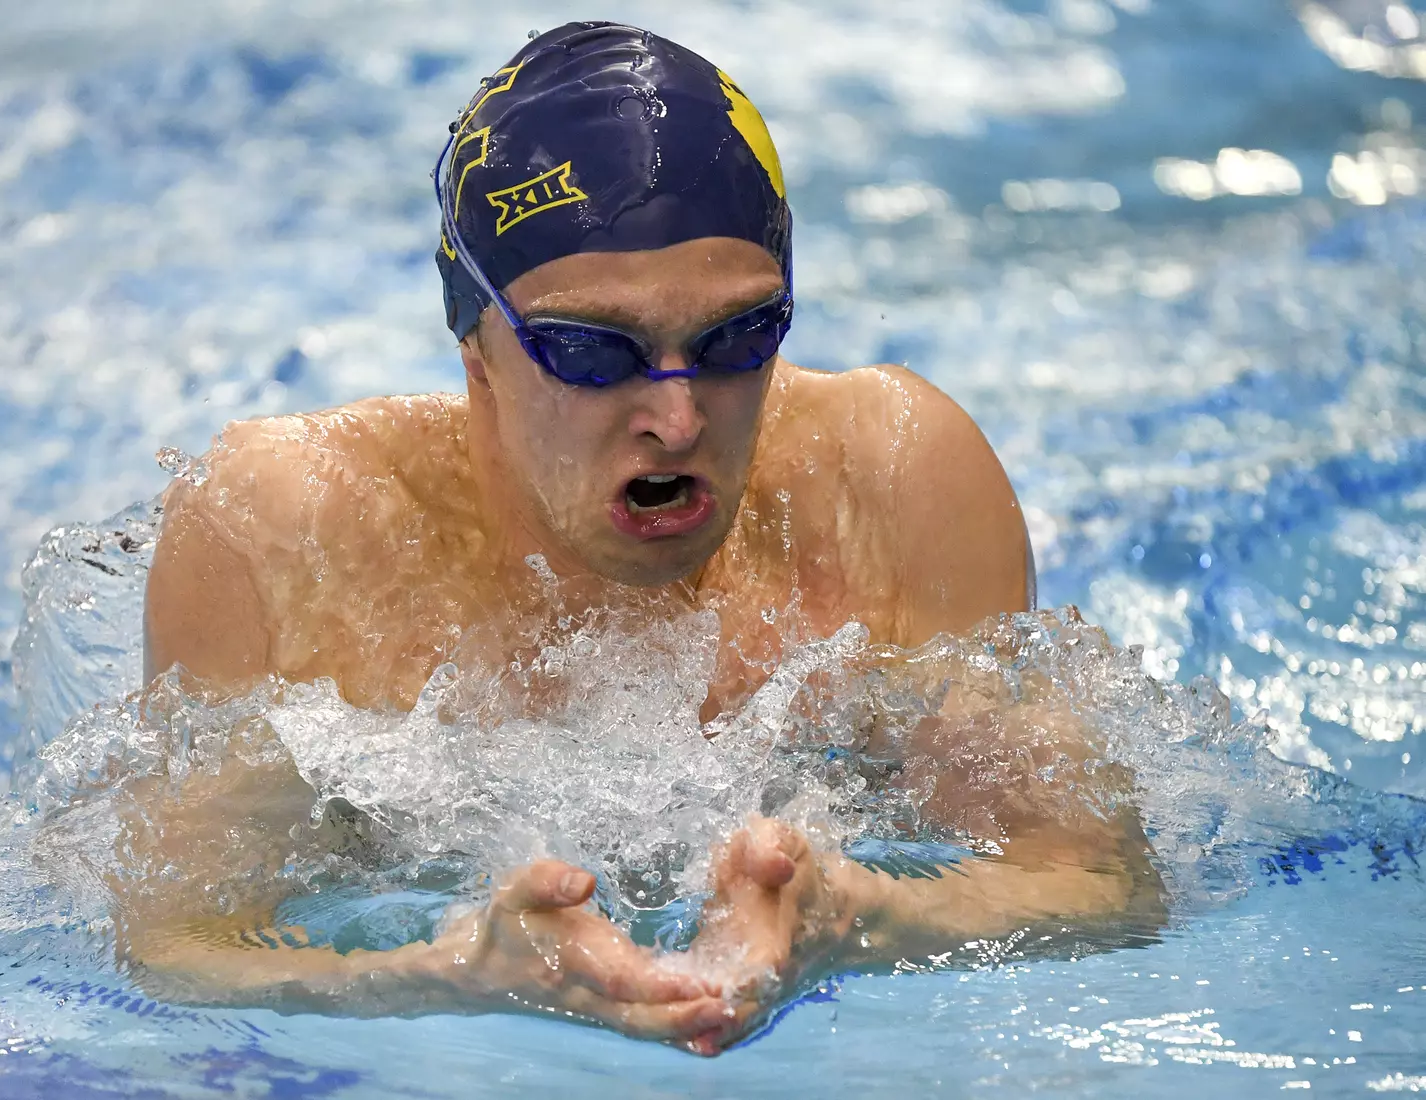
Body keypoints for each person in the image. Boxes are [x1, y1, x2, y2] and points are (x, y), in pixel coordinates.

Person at [127, 22, 1162, 1056]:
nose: (676, 418)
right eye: (591, 350)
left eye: (737, 337)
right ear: (476, 339)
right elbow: (173, 948)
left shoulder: (894, 479)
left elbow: (1101, 881)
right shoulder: (286, 535)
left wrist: (859, 914)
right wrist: (442, 976)